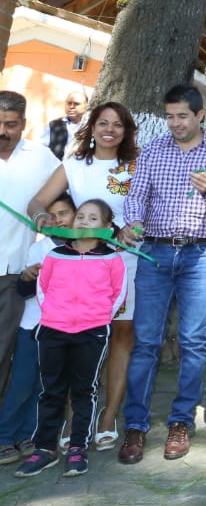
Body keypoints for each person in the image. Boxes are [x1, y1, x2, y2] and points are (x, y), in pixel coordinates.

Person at [116, 84, 206, 464]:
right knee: (146, 342)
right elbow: (136, 195)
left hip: (200, 254)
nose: (175, 123)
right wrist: (134, 221)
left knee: (193, 341)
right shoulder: (153, 150)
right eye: (170, 116)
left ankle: (181, 422)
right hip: (155, 252)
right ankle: (135, 426)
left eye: (182, 116)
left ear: (200, 116)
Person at [27, 100, 140, 451]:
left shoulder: (137, 164)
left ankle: (109, 415)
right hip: (80, 262)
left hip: (124, 259)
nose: (110, 130)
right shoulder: (74, 164)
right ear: (91, 127)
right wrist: (41, 217)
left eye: (118, 124)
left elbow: (150, 207)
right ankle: (75, 418)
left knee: (122, 333)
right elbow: (37, 202)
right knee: (76, 334)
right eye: (103, 123)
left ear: (126, 131)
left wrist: (134, 227)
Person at [14, 198, 125, 478]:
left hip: (91, 333)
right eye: (81, 216)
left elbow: (118, 294)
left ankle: (78, 448)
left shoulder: (112, 259)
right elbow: (43, 289)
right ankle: (45, 449)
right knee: (51, 391)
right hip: (53, 330)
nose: (84, 221)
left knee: (84, 391)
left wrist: (98, 321)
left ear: (107, 226)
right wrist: (53, 316)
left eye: (92, 218)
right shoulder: (55, 255)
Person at [0, 193, 71, 465]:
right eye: (51, 215)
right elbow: (24, 290)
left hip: (61, 331)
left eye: (64, 213)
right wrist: (28, 277)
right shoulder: (39, 249)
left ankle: (28, 434)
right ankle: (5, 435)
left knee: (45, 385)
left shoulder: (83, 250)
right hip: (32, 328)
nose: (58, 220)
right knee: (21, 382)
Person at [0, 91, 60, 395]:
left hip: (14, 271)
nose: (2, 132)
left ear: (24, 123)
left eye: (10, 125)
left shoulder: (41, 157)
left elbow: (67, 196)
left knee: (2, 349)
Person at [41, 91, 87, 160]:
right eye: (69, 103)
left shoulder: (91, 126)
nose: (71, 107)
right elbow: (43, 149)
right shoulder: (53, 125)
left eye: (76, 104)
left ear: (86, 106)